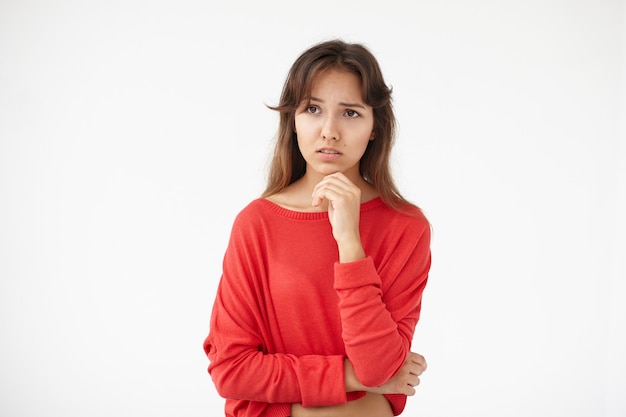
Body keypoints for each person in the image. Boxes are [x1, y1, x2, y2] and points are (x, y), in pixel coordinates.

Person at [203, 39, 432, 417]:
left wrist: (349, 241)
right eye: (313, 109)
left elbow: (379, 368)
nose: (329, 131)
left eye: (351, 113)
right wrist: (349, 377)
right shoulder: (257, 224)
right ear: (293, 120)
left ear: (375, 126)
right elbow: (231, 369)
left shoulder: (405, 227)